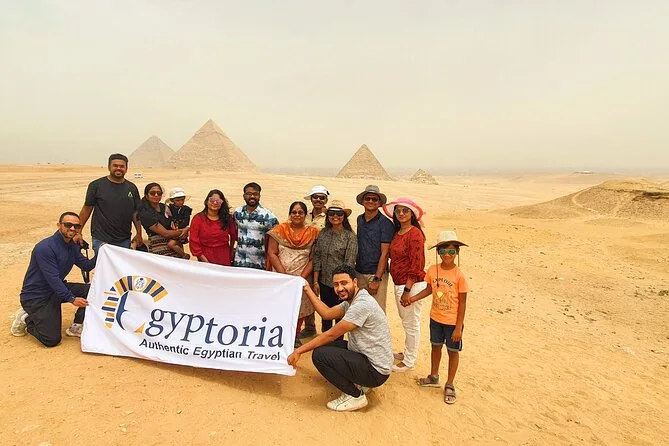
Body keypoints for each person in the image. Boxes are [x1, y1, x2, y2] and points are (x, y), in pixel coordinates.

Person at [288, 264, 392, 412]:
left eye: (344, 283)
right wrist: (307, 289)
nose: (340, 288)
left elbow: (331, 334)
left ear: (354, 282)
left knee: (320, 355)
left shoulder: (361, 305)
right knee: (326, 347)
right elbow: (327, 313)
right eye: (336, 284)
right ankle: (360, 382)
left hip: (376, 371)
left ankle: (355, 395)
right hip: (367, 357)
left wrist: (299, 351)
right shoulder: (353, 300)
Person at [10, 212, 96, 345]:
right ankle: (26, 318)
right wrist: (72, 299)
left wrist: (102, 252)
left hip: (55, 290)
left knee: (92, 290)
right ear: (59, 225)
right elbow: (53, 279)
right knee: (51, 339)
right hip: (36, 296)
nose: (72, 228)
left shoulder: (72, 246)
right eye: (68, 225)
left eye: (76, 226)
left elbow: (86, 265)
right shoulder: (45, 248)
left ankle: (77, 325)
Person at [404, 230, 469, 404]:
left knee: (453, 352)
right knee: (435, 347)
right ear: (438, 252)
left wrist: (458, 327)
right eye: (443, 251)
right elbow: (429, 290)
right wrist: (412, 299)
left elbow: (463, 303)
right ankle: (434, 376)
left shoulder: (460, 276)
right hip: (436, 319)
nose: (447, 255)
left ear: (457, 252)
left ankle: (450, 384)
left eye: (451, 251)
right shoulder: (433, 270)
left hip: (452, 322)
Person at [383, 197, 427, 372]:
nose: (401, 213)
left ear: (412, 214)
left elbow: (416, 264)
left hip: (411, 285)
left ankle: (409, 362)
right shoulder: (399, 232)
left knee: (411, 324)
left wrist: (407, 290)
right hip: (400, 283)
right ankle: (408, 353)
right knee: (407, 321)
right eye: (398, 211)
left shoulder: (415, 234)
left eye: (405, 210)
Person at [267, 201, 319, 347]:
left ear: (305, 215)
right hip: (281, 276)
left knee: (299, 306)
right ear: (290, 214)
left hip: (302, 276)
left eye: (300, 212)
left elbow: (313, 258)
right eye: (294, 212)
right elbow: (272, 253)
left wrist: (300, 278)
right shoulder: (279, 231)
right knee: (280, 305)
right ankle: (279, 334)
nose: (297, 215)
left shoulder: (313, 233)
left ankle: (295, 334)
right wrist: (284, 276)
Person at [76, 153, 143, 253]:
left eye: (122, 166)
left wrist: (139, 233)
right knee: (102, 263)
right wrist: (78, 231)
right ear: (109, 167)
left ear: (126, 168)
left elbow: (136, 213)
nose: (118, 168)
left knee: (121, 263)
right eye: (115, 165)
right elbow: (86, 209)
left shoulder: (132, 188)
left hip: (124, 239)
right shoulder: (96, 185)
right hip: (101, 239)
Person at [312, 199, 358, 333]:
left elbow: (349, 263)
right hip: (324, 282)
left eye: (339, 214)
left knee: (340, 317)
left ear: (344, 216)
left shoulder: (350, 237)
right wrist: (315, 281)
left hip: (340, 285)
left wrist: (343, 286)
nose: (335, 216)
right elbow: (317, 257)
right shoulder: (323, 233)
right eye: (331, 213)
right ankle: (325, 342)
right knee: (325, 316)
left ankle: (337, 343)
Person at [354, 185, 394, 312]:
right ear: (363, 201)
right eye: (367, 198)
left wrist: (377, 279)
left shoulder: (386, 223)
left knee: (377, 311)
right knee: (360, 310)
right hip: (360, 272)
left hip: (376, 274)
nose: (370, 201)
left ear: (379, 203)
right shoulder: (360, 219)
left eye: (374, 199)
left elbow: (385, 253)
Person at [298, 185, 329, 339]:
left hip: (324, 261)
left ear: (326, 200)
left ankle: (327, 331)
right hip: (306, 260)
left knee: (325, 295)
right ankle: (310, 326)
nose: (318, 200)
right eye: (315, 197)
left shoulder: (330, 216)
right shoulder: (304, 215)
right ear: (311, 199)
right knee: (307, 293)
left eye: (321, 198)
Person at [233, 182, 279, 269]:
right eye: (249, 194)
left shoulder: (269, 216)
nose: (252, 196)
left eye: (255, 194)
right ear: (244, 196)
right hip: (239, 263)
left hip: (259, 264)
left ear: (259, 196)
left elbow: (276, 240)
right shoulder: (237, 213)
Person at [138, 183, 189, 258]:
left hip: (175, 245)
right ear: (146, 195)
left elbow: (174, 222)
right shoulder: (145, 213)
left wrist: (184, 229)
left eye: (159, 193)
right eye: (152, 193)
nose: (156, 195)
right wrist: (184, 230)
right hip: (159, 247)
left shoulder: (165, 207)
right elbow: (165, 233)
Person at [190, 189, 238, 266]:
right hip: (205, 256)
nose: (215, 203)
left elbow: (234, 235)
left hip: (224, 255)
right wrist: (205, 261)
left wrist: (231, 250)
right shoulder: (198, 219)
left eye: (218, 201)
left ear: (222, 203)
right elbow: (194, 242)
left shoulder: (227, 218)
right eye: (212, 200)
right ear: (206, 201)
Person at [166, 186, 192, 251]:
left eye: (182, 200)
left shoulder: (186, 209)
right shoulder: (169, 208)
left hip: (181, 230)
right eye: (178, 200)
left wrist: (179, 228)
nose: (180, 202)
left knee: (172, 244)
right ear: (172, 200)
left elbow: (186, 221)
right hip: (171, 230)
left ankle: (183, 255)